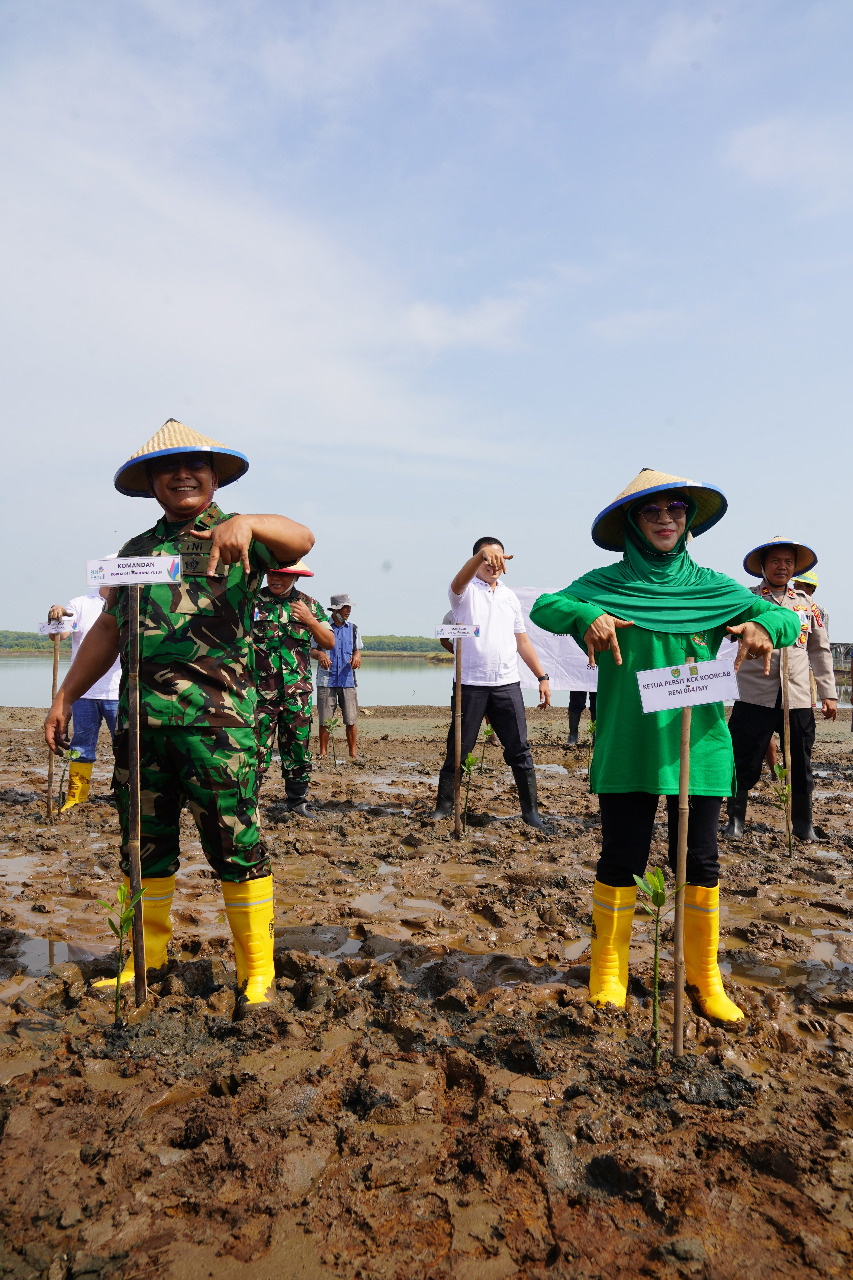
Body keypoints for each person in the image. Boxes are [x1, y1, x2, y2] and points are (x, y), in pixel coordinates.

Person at [44, 419, 314, 1006]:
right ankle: (148, 957)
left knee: (234, 842)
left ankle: (257, 971)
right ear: (151, 483)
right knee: (143, 844)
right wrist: (65, 695)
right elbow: (110, 627)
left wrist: (249, 522)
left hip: (219, 728)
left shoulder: (240, 536)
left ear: (214, 477)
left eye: (195, 465)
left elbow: (302, 539)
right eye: (168, 467)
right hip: (141, 727)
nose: (182, 474)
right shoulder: (135, 552)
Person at [530, 468, 800, 1022]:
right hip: (629, 744)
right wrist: (587, 615)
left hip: (697, 748)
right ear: (632, 522)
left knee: (699, 862)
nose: (665, 519)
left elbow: (781, 613)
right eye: (650, 511)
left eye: (675, 509)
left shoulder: (713, 586)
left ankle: (703, 976)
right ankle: (609, 968)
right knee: (621, 857)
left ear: (689, 519)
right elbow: (546, 608)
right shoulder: (603, 583)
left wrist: (764, 628)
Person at [431, 537, 551, 828]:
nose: (495, 565)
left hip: (507, 684)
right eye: (488, 559)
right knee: (459, 748)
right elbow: (459, 579)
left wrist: (541, 676)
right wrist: (481, 555)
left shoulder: (510, 597)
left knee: (519, 749)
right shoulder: (463, 593)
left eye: (500, 559)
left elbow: (521, 640)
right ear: (478, 560)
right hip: (469, 685)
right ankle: (444, 808)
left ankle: (530, 812)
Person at [723, 537, 837, 843]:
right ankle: (735, 819)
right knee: (743, 758)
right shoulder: (746, 600)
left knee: (801, 761)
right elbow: (728, 636)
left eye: (788, 562)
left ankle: (803, 823)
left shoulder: (806, 604)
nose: (782, 567)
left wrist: (828, 693)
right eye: (775, 561)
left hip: (797, 694)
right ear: (763, 566)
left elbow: (820, 651)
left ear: (795, 567)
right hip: (754, 694)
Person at [252, 560, 334, 817]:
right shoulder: (252, 602)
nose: (276, 578)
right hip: (259, 694)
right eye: (272, 573)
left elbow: (329, 641)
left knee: (297, 748)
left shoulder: (308, 604)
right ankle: (248, 804)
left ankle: (297, 803)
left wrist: (310, 621)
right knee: (256, 750)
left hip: (297, 694)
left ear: (295, 577)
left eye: (283, 574)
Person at [46, 568, 122, 811]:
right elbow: (60, 634)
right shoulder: (80, 604)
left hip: (118, 691)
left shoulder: (131, 602)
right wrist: (57, 615)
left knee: (126, 745)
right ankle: (76, 796)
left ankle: (127, 796)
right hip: (84, 692)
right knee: (80, 745)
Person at [315, 594, 362, 760]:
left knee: (351, 718)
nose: (348, 610)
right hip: (326, 680)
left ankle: (353, 753)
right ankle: (323, 752)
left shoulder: (353, 628)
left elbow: (358, 649)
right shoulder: (322, 627)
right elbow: (311, 649)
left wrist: (357, 656)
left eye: (349, 607)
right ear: (335, 609)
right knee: (325, 719)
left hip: (347, 679)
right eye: (345, 607)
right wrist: (320, 654)